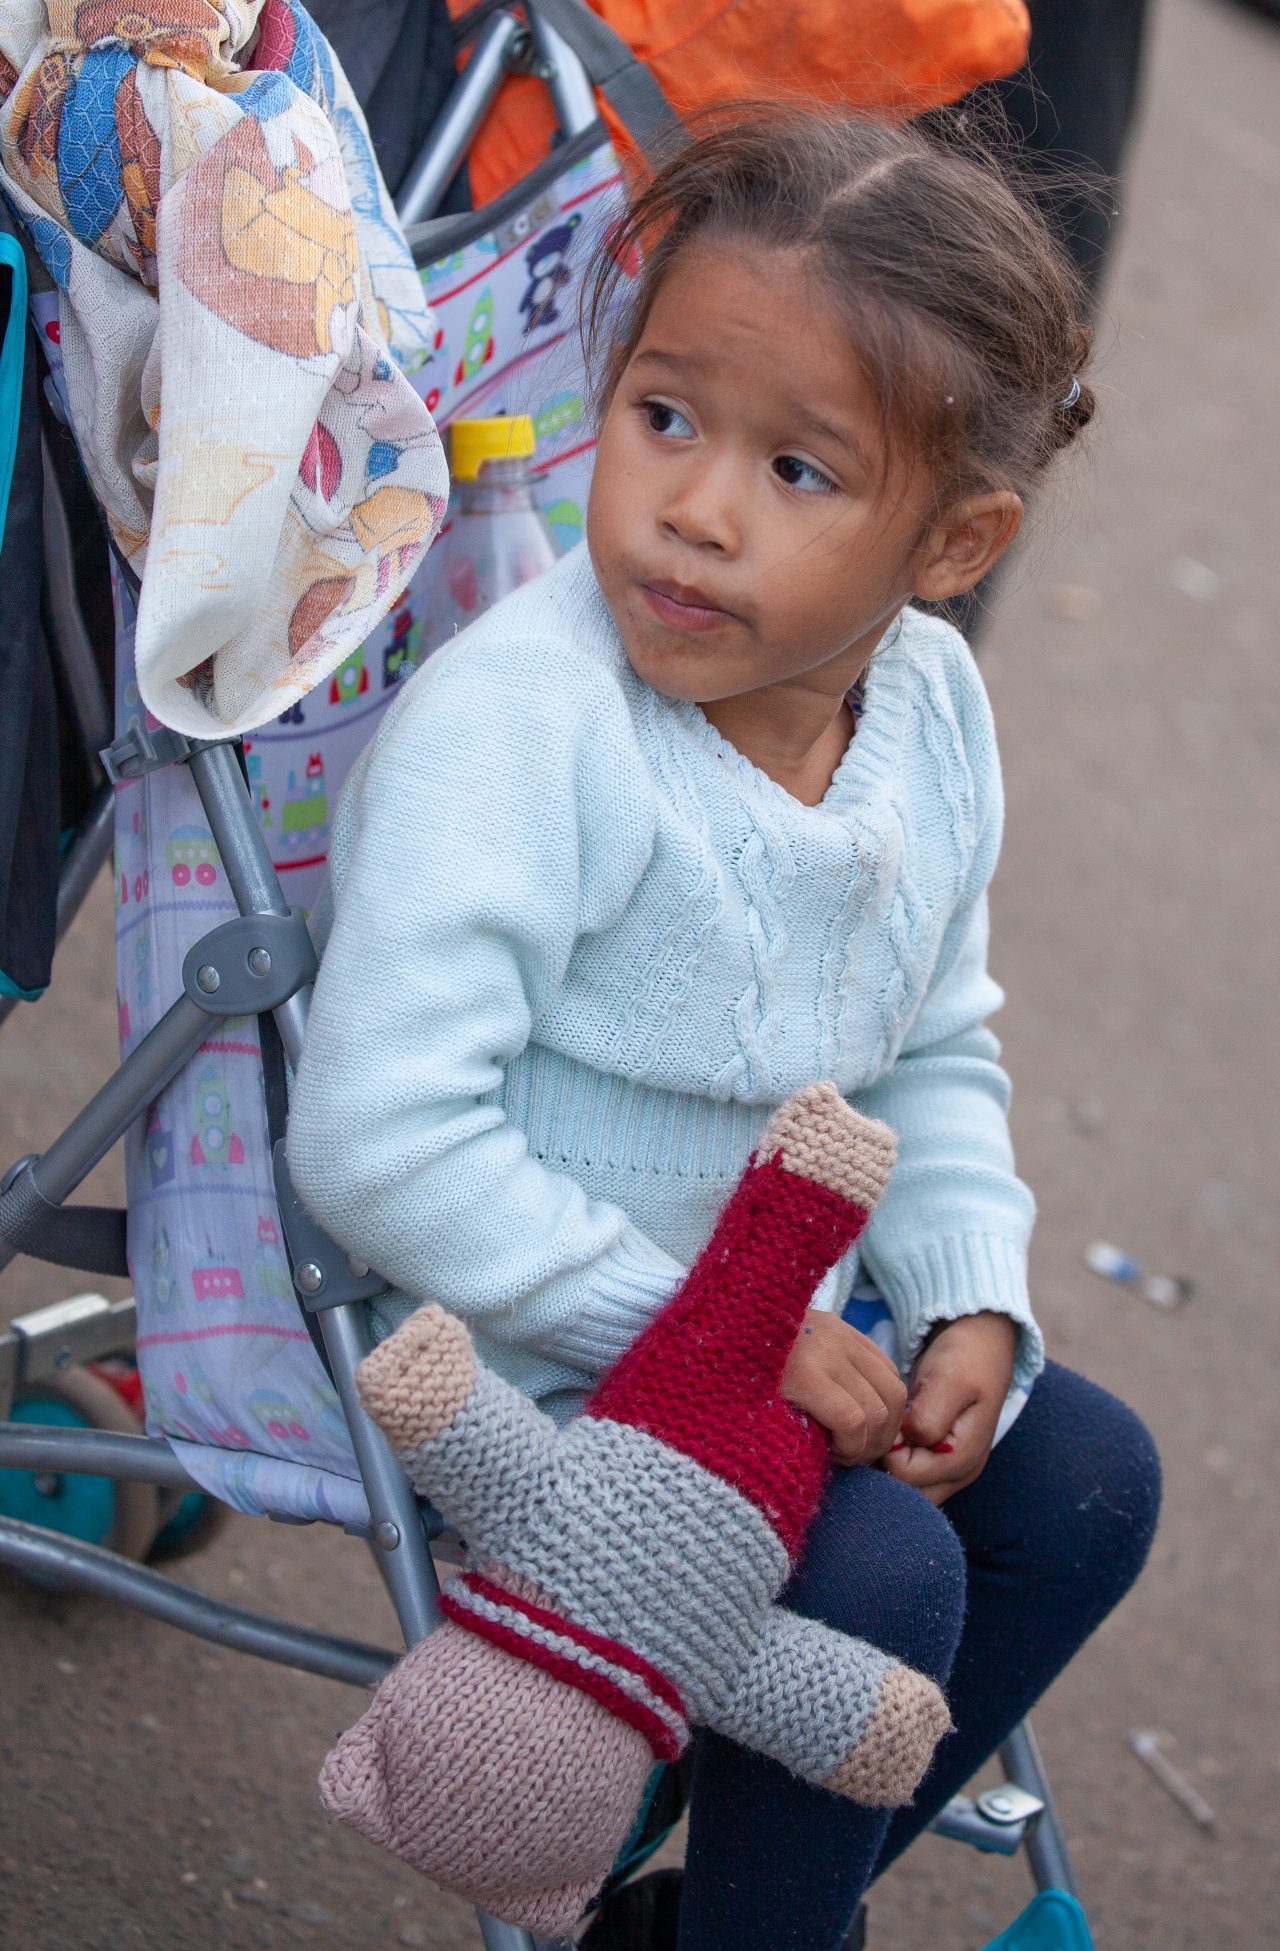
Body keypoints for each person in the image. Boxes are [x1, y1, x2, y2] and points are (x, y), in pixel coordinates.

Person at [288, 108, 1161, 1951]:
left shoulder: (930, 719)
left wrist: (963, 1297)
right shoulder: (527, 729)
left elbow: (933, 1045)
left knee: (1084, 1483)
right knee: (879, 1574)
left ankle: (713, 1897)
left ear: (954, 543)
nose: (693, 506)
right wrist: (704, 1336)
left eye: (799, 470)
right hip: (534, 1355)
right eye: (663, 417)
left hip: (787, 1329)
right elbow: (377, 1142)